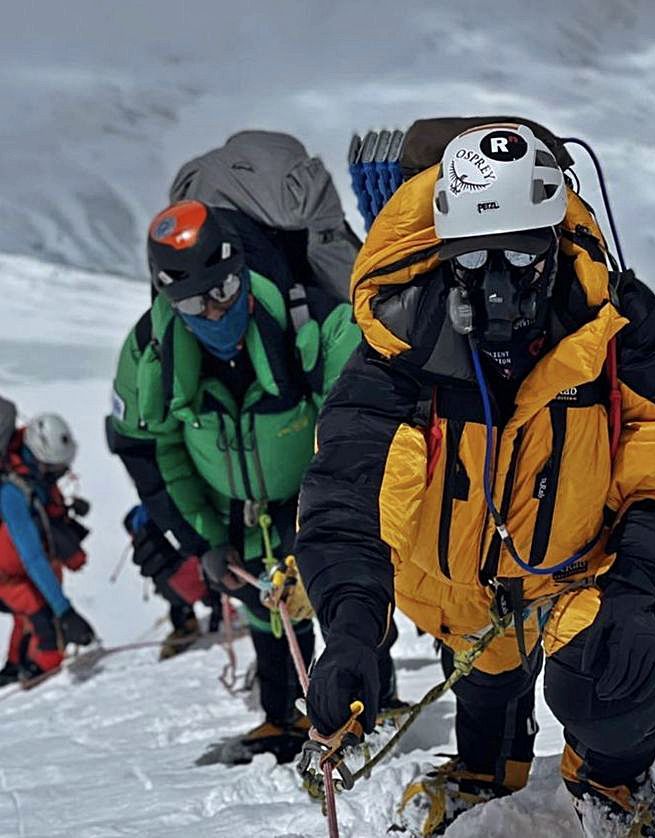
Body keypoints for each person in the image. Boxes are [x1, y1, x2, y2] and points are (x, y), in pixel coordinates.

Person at [296, 120, 655, 837]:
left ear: (554, 240)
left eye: (522, 252)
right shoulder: (400, 347)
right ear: (446, 252)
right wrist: (351, 631)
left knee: (618, 653)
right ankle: (486, 772)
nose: (498, 280)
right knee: (487, 675)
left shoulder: (619, 325)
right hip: (458, 590)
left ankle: (613, 782)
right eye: (475, 258)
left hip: (580, 576)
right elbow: (349, 489)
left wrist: (635, 576)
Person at [107, 131, 405, 762]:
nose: (213, 313)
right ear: (167, 300)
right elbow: (150, 451)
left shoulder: (316, 324)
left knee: (338, 587)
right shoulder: (151, 355)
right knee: (267, 607)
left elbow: (355, 426)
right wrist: (204, 543)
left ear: (239, 270)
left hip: (316, 492)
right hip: (235, 512)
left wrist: (327, 522)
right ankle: (282, 718)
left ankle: (370, 701)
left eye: (222, 291)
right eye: (192, 302)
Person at [0, 408, 95, 685]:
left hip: (11, 572)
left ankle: (16, 667)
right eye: (55, 468)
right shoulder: (10, 493)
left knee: (34, 603)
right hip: (5, 578)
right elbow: (33, 558)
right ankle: (42, 678)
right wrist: (65, 612)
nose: (59, 474)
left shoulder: (30, 477)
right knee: (45, 616)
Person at [122, 503, 223, 660]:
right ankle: (218, 617)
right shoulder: (159, 512)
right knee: (211, 586)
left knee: (179, 603)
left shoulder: (142, 532)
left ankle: (185, 626)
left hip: (168, 584)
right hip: (189, 573)